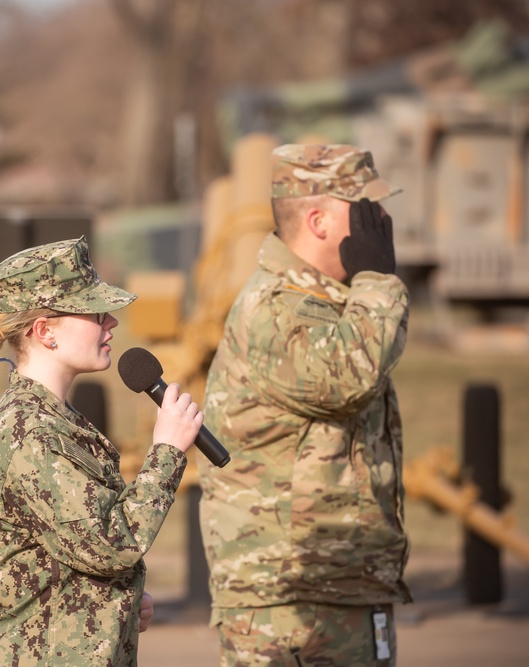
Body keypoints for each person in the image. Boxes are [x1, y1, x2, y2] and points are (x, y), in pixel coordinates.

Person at [198, 144, 412, 666]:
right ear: (317, 221)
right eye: (363, 209)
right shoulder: (278, 308)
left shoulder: (332, 302)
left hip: (338, 588)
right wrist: (379, 280)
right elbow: (347, 377)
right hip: (291, 602)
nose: (379, 221)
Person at [0, 236, 204, 666]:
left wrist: (118, 603)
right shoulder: (28, 432)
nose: (111, 324)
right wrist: (166, 452)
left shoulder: (55, 421)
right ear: (45, 331)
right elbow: (110, 544)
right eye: (93, 312)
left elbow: (70, 550)